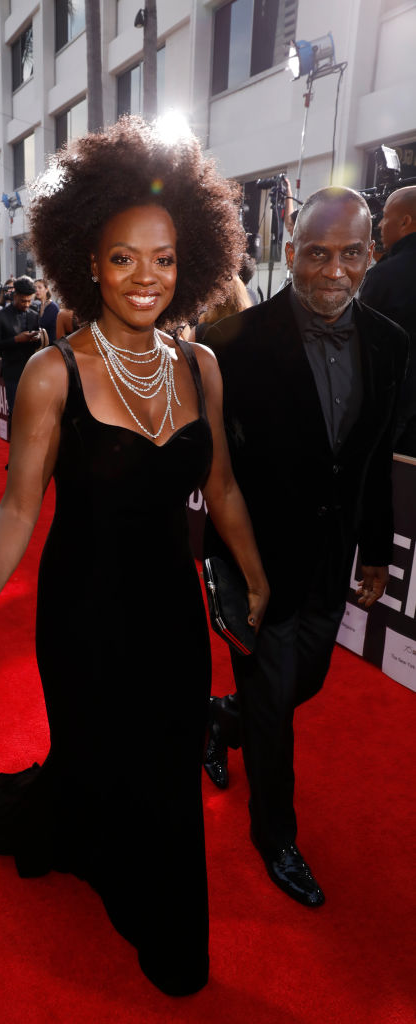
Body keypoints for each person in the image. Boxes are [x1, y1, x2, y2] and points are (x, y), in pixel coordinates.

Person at [0, 116, 269, 997]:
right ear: (88, 260)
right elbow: (17, 507)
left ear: (190, 260)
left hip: (169, 608)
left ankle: (163, 925)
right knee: (99, 752)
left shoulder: (200, 366)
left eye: (163, 258)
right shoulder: (53, 372)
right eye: (123, 258)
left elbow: (226, 490)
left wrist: (256, 574)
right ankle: (96, 848)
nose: (145, 277)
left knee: (163, 761)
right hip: (81, 611)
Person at [202, 187, 408, 909]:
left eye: (349, 253)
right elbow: (216, 472)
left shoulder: (390, 343)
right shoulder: (231, 344)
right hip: (251, 566)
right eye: (314, 253)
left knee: (299, 688)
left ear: (368, 255)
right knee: (271, 706)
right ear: (288, 255)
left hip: (329, 561)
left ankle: (216, 719)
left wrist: (376, 550)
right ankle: (274, 837)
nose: (331, 270)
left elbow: (373, 456)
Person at [360, 185, 416, 455]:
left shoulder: (385, 276)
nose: (380, 224)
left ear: (405, 221)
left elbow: (360, 346)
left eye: (385, 216)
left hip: (393, 410)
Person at [0, 275, 41, 423]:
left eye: (30, 301)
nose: (26, 304)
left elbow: (38, 345)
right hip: (12, 372)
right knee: (16, 413)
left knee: (33, 412)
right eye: (23, 300)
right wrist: (16, 340)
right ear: (15, 296)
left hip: (32, 371)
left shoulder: (34, 315)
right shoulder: (0, 317)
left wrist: (39, 339)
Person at [35, 278, 59, 343]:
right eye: (35, 288)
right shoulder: (38, 306)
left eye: (39, 287)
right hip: (41, 345)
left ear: (46, 289)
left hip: (51, 345)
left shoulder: (53, 307)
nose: (36, 290)